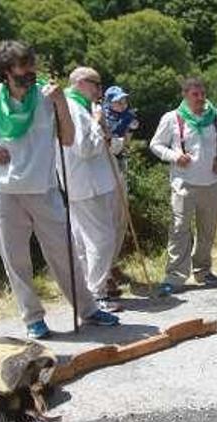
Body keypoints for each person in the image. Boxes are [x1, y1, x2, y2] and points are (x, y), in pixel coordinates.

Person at [0, 40, 119, 339]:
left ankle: (88, 308)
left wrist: (60, 104)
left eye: (32, 65)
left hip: (44, 187)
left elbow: (67, 140)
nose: (30, 72)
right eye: (23, 67)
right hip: (4, 190)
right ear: (6, 72)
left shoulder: (46, 97)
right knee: (15, 259)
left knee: (64, 252)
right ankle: (33, 319)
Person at [150, 77, 217, 294]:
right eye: (195, 94)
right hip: (184, 183)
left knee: (208, 230)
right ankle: (175, 276)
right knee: (179, 229)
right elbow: (155, 145)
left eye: (203, 93)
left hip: (211, 182)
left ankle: (203, 271)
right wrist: (175, 156)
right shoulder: (172, 118)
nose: (201, 98)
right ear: (185, 95)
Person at [58, 66, 121, 312]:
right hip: (87, 183)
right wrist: (97, 123)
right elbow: (84, 148)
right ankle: (96, 294)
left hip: (87, 182)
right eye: (96, 84)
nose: (99, 90)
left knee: (85, 241)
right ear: (82, 82)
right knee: (103, 240)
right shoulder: (73, 108)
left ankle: (87, 293)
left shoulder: (75, 105)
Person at [101, 84, 138, 296]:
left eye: (124, 100)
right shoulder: (102, 118)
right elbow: (114, 145)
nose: (122, 104)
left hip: (120, 171)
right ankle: (105, 272)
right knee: (107, 222)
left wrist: (127, 133)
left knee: (121, 221)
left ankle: (113, 264)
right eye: (117, 100)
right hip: (105, 174)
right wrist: (122, 135)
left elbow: (126, 145)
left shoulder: (127, 118)